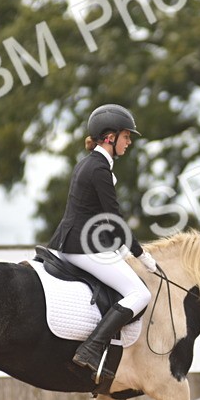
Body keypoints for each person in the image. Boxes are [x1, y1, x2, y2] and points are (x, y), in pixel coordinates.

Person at [45, 103, 157, 380]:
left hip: (75, 242)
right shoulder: (98, 169)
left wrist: (118, 247)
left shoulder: (91, 163)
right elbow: (114, 217)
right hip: (82, 247)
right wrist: (140, 254)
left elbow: (99, 217)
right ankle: (91, 349)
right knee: (140, 294)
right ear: (110, 137)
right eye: (126, 136)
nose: (129, 142)